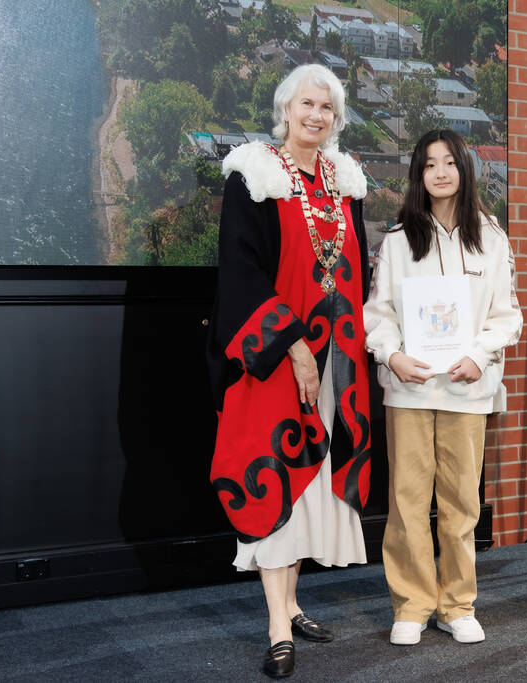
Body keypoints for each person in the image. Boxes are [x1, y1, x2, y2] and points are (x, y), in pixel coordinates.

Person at [205, 64, 371, 679]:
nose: (317, 116)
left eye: (327, 108)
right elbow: (241, 275)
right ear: (286, 108)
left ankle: (292, 601)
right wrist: (294, 346)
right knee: (277, 478)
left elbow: (353, 272)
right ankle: (278, 625)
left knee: (310, 483)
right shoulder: (256, 177)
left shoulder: (343, 181)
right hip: (273, 360)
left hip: (337, 365)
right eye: (307, 104)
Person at [363, 130, 522, 646]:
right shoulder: (396, 239)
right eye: (429, 164)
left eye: (449, 162)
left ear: (464, 169)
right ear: (419, 174)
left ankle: (457, 604)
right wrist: (393, 355)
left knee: (461, 502)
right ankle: (412, 603)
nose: (440, 172)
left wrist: (479, 356)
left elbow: (507, 317)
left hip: (466, 390)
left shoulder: (492, 238)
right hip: (409, 389)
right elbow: (377, 315)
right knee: (408, 500)